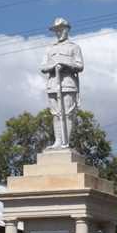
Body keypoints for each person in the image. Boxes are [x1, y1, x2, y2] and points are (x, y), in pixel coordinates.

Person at [40, 17, 83, 149]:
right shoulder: (49, 49)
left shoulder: (74, 47)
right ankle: (57, 141)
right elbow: (43, 67)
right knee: (55, 114)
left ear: (66, 30)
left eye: (61, 29)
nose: (58, 32)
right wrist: (53, 67)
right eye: (56, 30)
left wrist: (65, 64)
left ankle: (66, 142)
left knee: (68, 113)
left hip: (68, 84)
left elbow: (79, 65)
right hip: (53, 84)